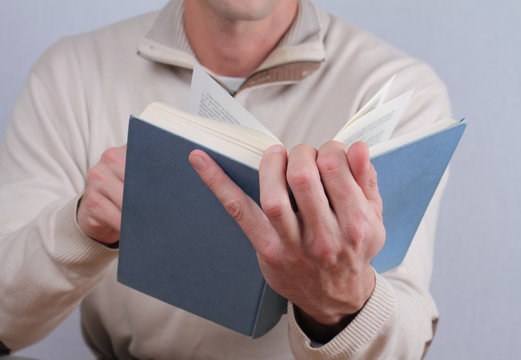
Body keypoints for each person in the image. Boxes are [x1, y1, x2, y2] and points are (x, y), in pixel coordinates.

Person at [0, 0, 451, 358]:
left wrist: (341, 302)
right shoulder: (71, 72)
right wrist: (82, 227)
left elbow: (406, 340)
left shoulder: (397, 89)